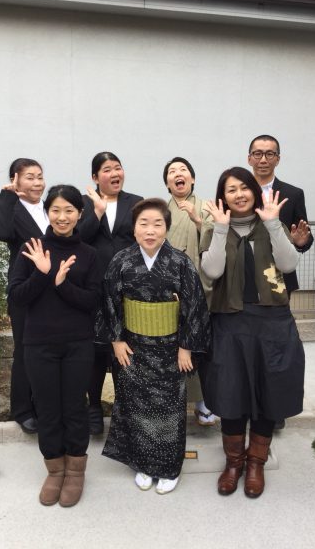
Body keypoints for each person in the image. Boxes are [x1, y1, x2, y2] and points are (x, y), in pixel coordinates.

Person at [201, 167, 305, 499]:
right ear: (223, 196)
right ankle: (234, 463)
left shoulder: (270, 224)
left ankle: (256, 462)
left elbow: (288, 265)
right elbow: (212, 270)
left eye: (244, 187)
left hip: (272, 322)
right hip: (230, 323)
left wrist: (274, 224)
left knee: (268, 391)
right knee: (231, 393)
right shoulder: (214, 229)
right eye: (231, 189)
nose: (239, 194)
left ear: (255, 191)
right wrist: (220, 228)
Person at [101, 198, 210, 494]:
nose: (150, 230)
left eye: (157, 224)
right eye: (143, 224)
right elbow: (109, 301)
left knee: (170, 409)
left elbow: (194, 306)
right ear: (134, 229)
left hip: (170, 349)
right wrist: (117, 340)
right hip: (133, 348)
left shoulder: (180, 262)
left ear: (166, 228)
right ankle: (142, 464)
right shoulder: (122, 260)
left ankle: (169, 467)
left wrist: (186, 347)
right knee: (135, 405)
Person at [8, 185, 100, 507]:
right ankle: (54, 470)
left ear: (80, 214)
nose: (62, 217)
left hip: (78, 344)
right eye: (56, 210)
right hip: (39, 344)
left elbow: (93, 301)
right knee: (47, 409)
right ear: (47, 212)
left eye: (69, 210)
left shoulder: (89, 254)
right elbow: (16, 297)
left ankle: (75, 471)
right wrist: (42, 274)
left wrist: (62, 284)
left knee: (74, 407)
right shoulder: (32, 248)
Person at [79, 152, 142, 435]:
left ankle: (122, 408)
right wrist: (97, 211)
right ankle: (93, 406)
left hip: (127, 288)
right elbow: (79, 238)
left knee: (124, 349)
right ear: (95, 177)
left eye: (118, 167)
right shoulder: (83, 203)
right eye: (107, 169)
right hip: (93, 285)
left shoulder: (136, 202)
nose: (115, 173)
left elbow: (143, 238)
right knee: (95, 350)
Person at [0, 158, 49, 434]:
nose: (37, 183)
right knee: (25, 349)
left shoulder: (51, 208)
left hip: (54, 290)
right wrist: (6, 196)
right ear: (15, 180)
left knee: (48, 349)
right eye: (30, 177)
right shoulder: (12, 208)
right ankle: (23, 409)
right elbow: (2, 233)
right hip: (24, 289)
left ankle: (44, 405)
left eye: (40, 176)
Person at [163, 156, 216, 426]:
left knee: (199, 344)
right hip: (169, 287)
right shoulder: (162, 210)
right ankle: (174, 401)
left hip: (200, 285)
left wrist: (198, 220)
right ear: (167, 183)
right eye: (172, 171)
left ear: (192, 179)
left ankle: (203, 400)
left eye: (183, 170)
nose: (178, 174)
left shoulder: (206, 206)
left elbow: (217, 239)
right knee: (172, 346)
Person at [248, 134, 313, 295]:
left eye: (270, 154)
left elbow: (305, 235)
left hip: (279, 274)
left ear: (278, 159)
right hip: (244, 272)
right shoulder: (237, 192)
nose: (263, 160)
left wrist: (299, 242)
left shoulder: (293, 194)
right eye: (258, 154)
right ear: (249, 159)